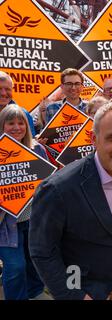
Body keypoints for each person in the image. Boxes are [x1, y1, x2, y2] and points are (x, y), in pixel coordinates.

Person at [29, 101, 112, 300]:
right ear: (94, 139)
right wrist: (73, 295)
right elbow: (42, 251)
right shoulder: (58, 189)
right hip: (83, 287)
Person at [0, 105, 49, 300]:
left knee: (34, 262)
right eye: (10, 123)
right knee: (15, 267)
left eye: (21, 123)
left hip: (33, 220)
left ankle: (35, 293)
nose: (16, 127)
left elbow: (47, 183)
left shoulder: (37, 149)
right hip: (6, 225)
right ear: (2, 125)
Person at [0, 71, 36, 137]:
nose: (3, 93)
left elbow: (30, 141)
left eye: (7, 89)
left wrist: (36, 143)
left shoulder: (23, 113)